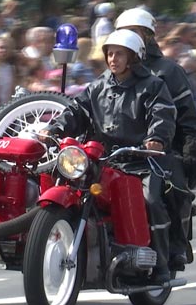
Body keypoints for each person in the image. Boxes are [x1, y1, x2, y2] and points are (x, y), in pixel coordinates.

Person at [39, 29, 177, 284]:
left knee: (150, 199)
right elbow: (76, 111)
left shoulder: (153, 85)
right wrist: (54, 128)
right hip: (100, 160)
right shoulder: (98, 86)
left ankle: (161, 263)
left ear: (134, 57)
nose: (113, 59)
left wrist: (156, 138)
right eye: (110, 54)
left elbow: (163, 115)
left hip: (139, 160)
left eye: (120, 54)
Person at [115, 8, 196, 268]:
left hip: (161, 151)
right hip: (117, 151)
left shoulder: (168, 71)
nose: (127, 38)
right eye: (122, 33)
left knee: (160, 194)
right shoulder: (114, 71)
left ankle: (172, 248)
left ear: (148, 36)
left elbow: (186, 115)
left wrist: (189, 149)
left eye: (133, 32)